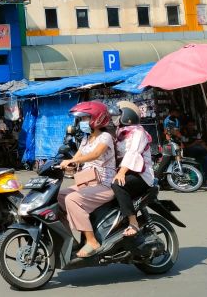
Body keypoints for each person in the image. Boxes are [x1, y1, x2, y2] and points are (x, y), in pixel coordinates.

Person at [57, 101, 117, 258]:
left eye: (85, 118)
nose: (82, 122)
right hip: (87, 183)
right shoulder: (85, 139)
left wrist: (75, 161)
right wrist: (65, 165)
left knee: (72, 199)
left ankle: (92, 242)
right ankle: (70, 239)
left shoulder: (106, 137)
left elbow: (96, 154)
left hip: (104, 185)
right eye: (82, 119)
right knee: (58, 197)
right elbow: (77, 158)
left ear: (96, 118)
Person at [110, 101, 154, 237]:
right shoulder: (120, 132)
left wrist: (122, 172)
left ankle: (133, 221)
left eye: (118, 115)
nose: (114, 119)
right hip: (124, 172)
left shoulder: (138, 132)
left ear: (127, 116)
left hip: (141, 176)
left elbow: (133, 153)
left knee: (118, 185)